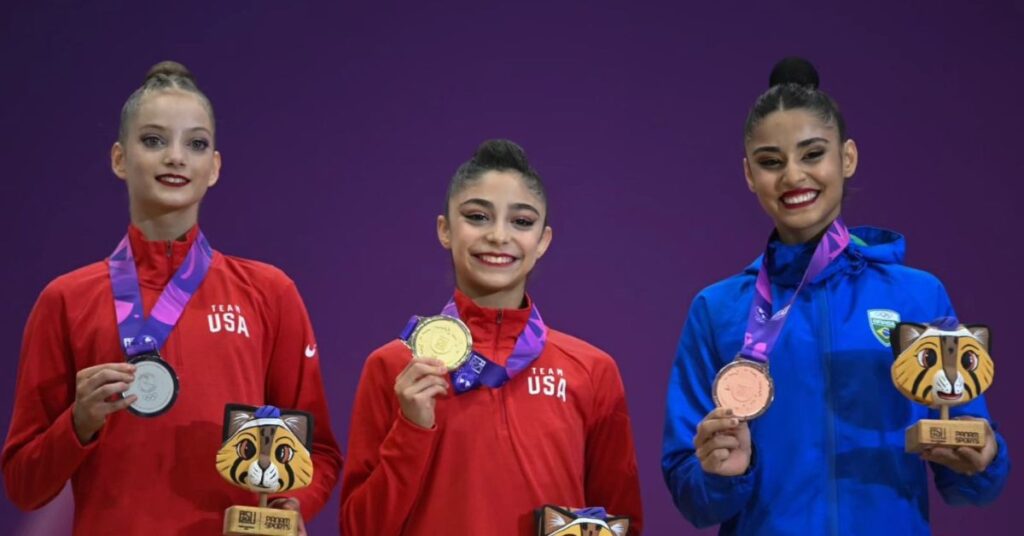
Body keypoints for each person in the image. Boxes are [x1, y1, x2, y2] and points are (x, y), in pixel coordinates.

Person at [661, 58, 1010, 535]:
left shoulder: (918, 295)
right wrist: (723, 473)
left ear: (846, 158)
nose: (792, 176)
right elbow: (693, 498)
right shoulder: (716, 310)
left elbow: (973, 481)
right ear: (748, 175)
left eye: (812, 154)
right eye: (770, 162)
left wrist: (981, 459)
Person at [1, 61, 342, 534]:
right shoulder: (65, 300)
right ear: (120, 159)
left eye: (196, 143)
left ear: (214, 167)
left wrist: (290, 505)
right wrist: (77, 424)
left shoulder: (269, 292)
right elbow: (24, 484)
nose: (176, 157)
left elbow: (318, 452)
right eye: (154, 140)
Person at [340, 139, 643, 534]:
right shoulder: (395, 366)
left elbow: (622, 524)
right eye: (478, 216)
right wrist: (411, 430)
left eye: (521, 221)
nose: (499, 236)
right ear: (445, 230)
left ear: (543, 242)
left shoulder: (591, 371)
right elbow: (358, 529)